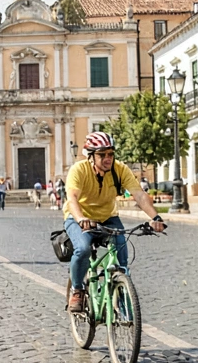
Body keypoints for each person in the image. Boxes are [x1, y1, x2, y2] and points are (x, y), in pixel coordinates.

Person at [64, 132, 166, 313]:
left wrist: (155, 218)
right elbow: (72, 198)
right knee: (83, 249)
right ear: (91, 156)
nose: (107, 158)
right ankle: (77, 289)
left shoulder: (120, 170)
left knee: (121, 257)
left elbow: (140, 195)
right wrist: (80, 219)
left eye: (110, 154)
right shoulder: (79, 170)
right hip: (79, 217)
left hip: (108, 217)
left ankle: (123, 295)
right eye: (102, 154)